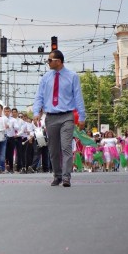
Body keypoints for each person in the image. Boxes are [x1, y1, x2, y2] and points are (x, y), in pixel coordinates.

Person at [33, 50, 86, 187]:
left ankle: (66, 176)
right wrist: (36, 113)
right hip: (51, 117)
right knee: (53, 149)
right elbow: (39, 96)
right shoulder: (45, 78)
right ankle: (57, 175)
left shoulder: (72, 76)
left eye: (50, 60)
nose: (48, 63)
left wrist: (81, 117)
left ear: (59, 61)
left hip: (67, 116)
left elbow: (78, 97)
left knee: (66, 147)